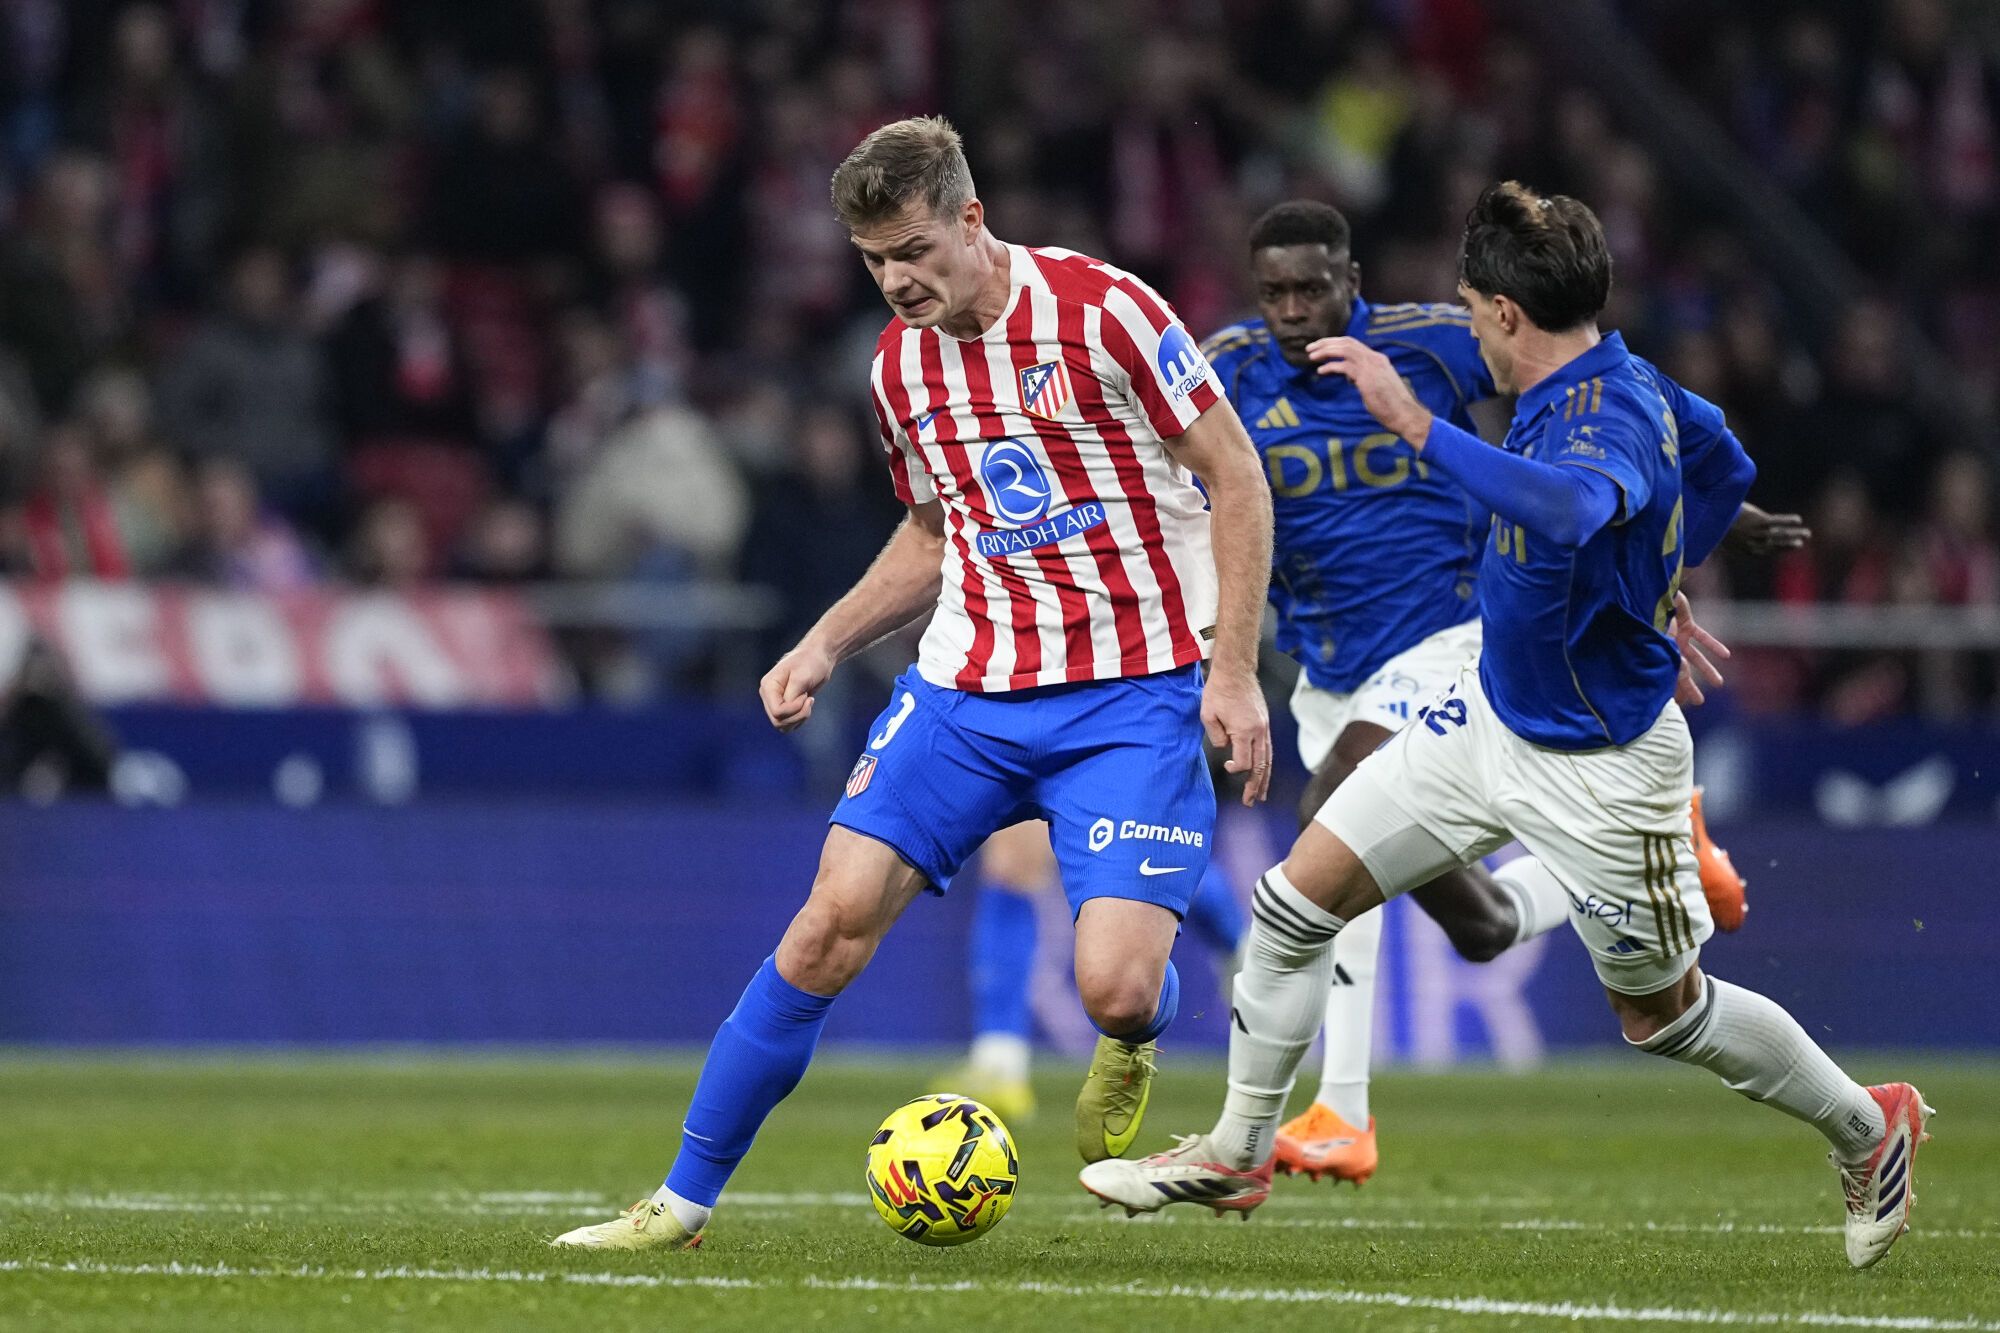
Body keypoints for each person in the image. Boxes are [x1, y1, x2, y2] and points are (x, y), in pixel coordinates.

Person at [1080, 183, 1929, 1272]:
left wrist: (1415, 422)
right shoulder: (1600, 376)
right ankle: (1241, 1148)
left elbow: (1578, 506)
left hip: (1596, 765)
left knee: (1665, 1017)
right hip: (1482, 710)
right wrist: (1659, 566)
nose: (1465, 319)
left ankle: (1869, 1125)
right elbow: (1720, 460)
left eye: (1472, 304)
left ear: (1504, 316)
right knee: (1293, 902)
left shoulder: (1605, 407)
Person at [553, 115, 1274, 1252]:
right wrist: (824, 641)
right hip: (970, 690)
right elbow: (935, 534)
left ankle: (1135, 1035)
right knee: (824, 925)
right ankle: (676, 1205)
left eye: (914, 250)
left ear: (972, 221)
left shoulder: (1107, 313)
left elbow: (1236, 476)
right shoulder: (898, 368)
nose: (895, 280)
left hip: (1133, 692)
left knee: (1116, 991)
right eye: (873, 260)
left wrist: (1229, 670)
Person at [1198, 200, 1776, 1186]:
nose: (1294, 310)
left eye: (1312, 287)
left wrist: (1663, 542)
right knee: (1481, 926)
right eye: (1275, 292)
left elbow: (1577, 402)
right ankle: (1663, 848)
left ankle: (1338, 1108)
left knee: (1322, 822)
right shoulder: (1227, 371)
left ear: (1351, 276)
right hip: (1329, 671)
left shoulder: (1427, 345)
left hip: (1450, 641)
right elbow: (1179, 476)